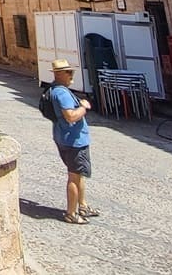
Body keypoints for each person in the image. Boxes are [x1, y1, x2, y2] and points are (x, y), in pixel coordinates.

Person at [48, 58, 100, 224]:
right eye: (68, 72)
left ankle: (82, 205)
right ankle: (71, 213)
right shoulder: (62, 93)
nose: (72, 75)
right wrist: (84, 107)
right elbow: (70, 116)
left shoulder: (54, 89)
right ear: (60, 74)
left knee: (79, 174)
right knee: (74, 176)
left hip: (64, 137)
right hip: (73, 140)